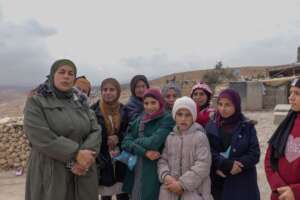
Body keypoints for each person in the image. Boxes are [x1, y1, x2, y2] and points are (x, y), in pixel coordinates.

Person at [23, 59, 101, 200]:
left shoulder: (81, 103)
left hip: (82, 171)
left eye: (71, 73)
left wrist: (84, 158)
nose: (66, 76)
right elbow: (39, 135)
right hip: (51, 171)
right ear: (53, 75)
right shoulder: (36, 101)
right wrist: (75, 153)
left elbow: (95, 130)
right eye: (62, 72)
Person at [205, 88, 260, 200]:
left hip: (243, 181)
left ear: (236, 105)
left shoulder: (247, 126)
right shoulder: (211, 125)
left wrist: (238, 165)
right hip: (219, 181)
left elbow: (254, 153)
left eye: (228, 105)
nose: (223, 109)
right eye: (220, 104)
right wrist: (225, 164)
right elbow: (208, 151)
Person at [122, 88, 174, 200]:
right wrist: (144, 152)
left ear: (160, 102)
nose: (149, 107)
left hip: (154, 170)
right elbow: (125, 142)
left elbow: (153, 143)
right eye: (146, 103)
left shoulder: (167, 119)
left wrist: (136, 141)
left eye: (153, 102)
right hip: (137, 169)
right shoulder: (140, 119)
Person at [158, 96, 213, 200]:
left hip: (195, 192)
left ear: (193, 117)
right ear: (174, 116)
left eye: (188, 115)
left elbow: (203, 165)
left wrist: (182, 184)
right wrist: (165, 176)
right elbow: (162, 160)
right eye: (179, 114)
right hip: (170, 191)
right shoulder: (170, 137)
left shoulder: (200, 137)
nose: (183, 119)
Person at [91, 78, 129, 200]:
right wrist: (105, 139)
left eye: (111, 89)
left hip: (121, 159)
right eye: (105, 90)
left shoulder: (124, 110)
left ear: (117, 92)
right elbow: (91, 133)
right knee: (105, 194)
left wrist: (119, 138)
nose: (108, 92)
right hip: (103, 159)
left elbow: (129, 131)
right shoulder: (93, 111)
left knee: (122, 193)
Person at [265, 78, 300, 200]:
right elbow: (269, 158)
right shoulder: (287, 123)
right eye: (291, 93)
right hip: (280, 195)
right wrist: (278, 186)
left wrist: (295, 192)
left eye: (297, 93)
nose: (291, 98)